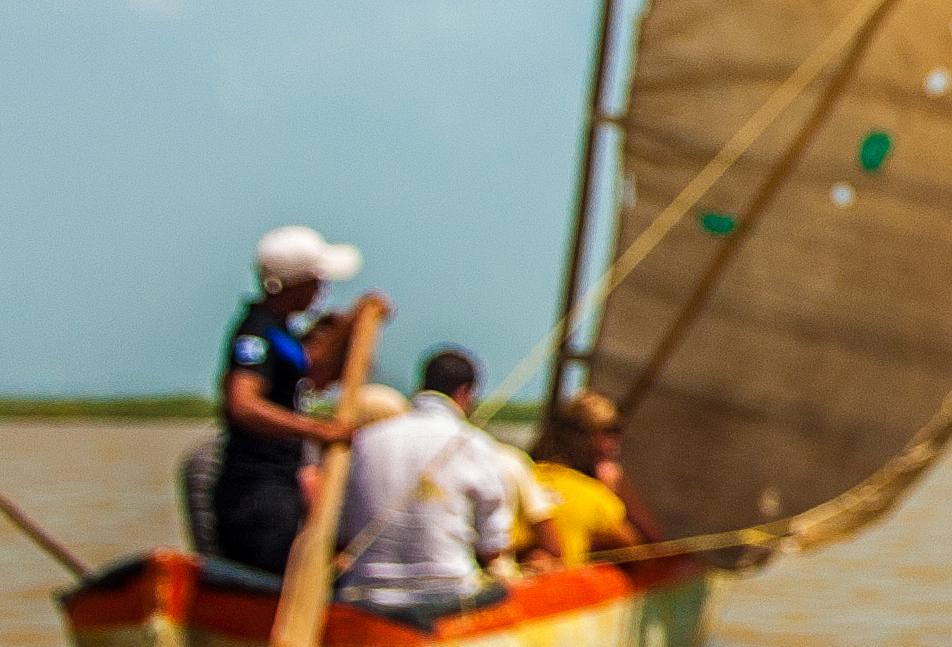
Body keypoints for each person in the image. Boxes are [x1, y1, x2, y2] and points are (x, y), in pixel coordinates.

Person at [211, 226, 380, 577]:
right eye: (317, 281)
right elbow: (242, 403)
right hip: (257, 491)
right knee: (267, 582)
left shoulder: (280, 332)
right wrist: (316, 430)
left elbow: (312, 363)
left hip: (279, 487)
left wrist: (356, 320)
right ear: (297, 285)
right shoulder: (256, 333)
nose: (322, 290)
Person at [334, 347, 519, 623]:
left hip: (366, 597)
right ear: (465, 392)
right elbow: (492, 547)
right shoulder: (475, 444)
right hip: (448, 598)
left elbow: (341, 533)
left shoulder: (366, 441)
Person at [517, 390, 664, 572]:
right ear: (577, 437)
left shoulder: (524, 474)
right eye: (605, 432)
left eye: (615, 431)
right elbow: (639, 550)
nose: (613, 443)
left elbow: (653, 545)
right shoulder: (591, 488)